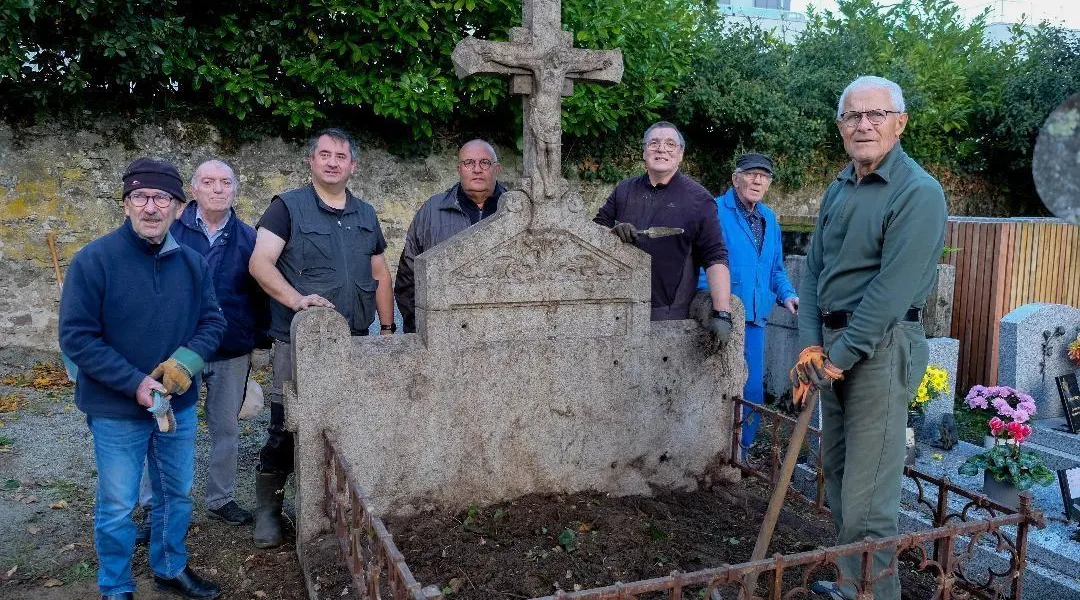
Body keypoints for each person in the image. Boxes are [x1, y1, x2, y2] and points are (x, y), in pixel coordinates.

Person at [792, 76, 946, 600]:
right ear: (841, 126)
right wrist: (811, 345)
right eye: (853, 115)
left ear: (900, 123)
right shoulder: (840, 186)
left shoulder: (917, 192)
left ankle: (876, 594)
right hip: (835, 346)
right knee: (837, 473)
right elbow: (813, 271)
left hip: (880, 348)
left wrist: (839, 356)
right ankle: (851, 584)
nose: (864, 124)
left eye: (876, 114)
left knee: (869, 497)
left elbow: (890, 291)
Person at [59, 158, 227, 600]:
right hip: (116, 408)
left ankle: (170, 568)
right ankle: (116, 586)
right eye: (140, 197)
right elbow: (76, 337)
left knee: (176, 493)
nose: (151, 207)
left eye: (162, 198)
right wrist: (134, 382)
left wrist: (185, 363)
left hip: (175, 406)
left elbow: (213, 322)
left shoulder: (192, 263)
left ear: (179, 207)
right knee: (118, 504)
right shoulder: (94, 261)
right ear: (125, 204)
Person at [248, 128, 395, 549]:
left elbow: (380, 273)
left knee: (348, 423)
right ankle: (270, 510)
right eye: (325, 154)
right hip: (299, 344)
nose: (333, 162)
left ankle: (341, 505)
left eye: (341, 156)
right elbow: (260, 263)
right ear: (311, 161)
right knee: (286, 426)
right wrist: (297, 301)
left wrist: (388, 330)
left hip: (355, 340)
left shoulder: (366, 214)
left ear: (353, 166)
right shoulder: (286, 208)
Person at [170, 159, 268, 525]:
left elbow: (260, 294)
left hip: (231, 349)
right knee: (169, 426)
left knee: (226, 429)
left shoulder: (248, 237)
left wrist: (260, 342)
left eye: (225, 182)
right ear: (193, 189)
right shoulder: (171, 232)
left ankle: (220, 498)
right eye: (208, 182)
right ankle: (160, 504)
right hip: (182, 349)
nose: (217, 189)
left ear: (235, 190)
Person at [593, 121, 733, 339]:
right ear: (644, 152)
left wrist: (722, 313)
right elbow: (594, 234)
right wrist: (613, 232)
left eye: (670, 144)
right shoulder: (624, 190)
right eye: (654, 143)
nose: (661, 149)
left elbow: (715, 256)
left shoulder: (699, 199)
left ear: (680, 154)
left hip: (668, 315)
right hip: (619, 308)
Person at [697, 152, 797, 456]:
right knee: (717, 387)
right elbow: (700, 263)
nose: (757, 181)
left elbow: (775, 269)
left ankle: (741, 454)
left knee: (752, 391)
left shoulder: (769, 219)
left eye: (764, 176)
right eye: (751, 174)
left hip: (754, 320)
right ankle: (709, 454)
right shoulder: (714, 210)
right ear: (735, 179)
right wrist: (713, 306)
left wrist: (787, 294)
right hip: (722, 316)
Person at [395, 139, 507, 333]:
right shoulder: (432, 211)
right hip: (446, 331)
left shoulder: (515, 212)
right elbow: (408, 276)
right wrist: (420, 327)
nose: (477, 169)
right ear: (459, 169)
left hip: (502, 331)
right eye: (469, 163)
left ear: (497, 169)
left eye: (485, 162)